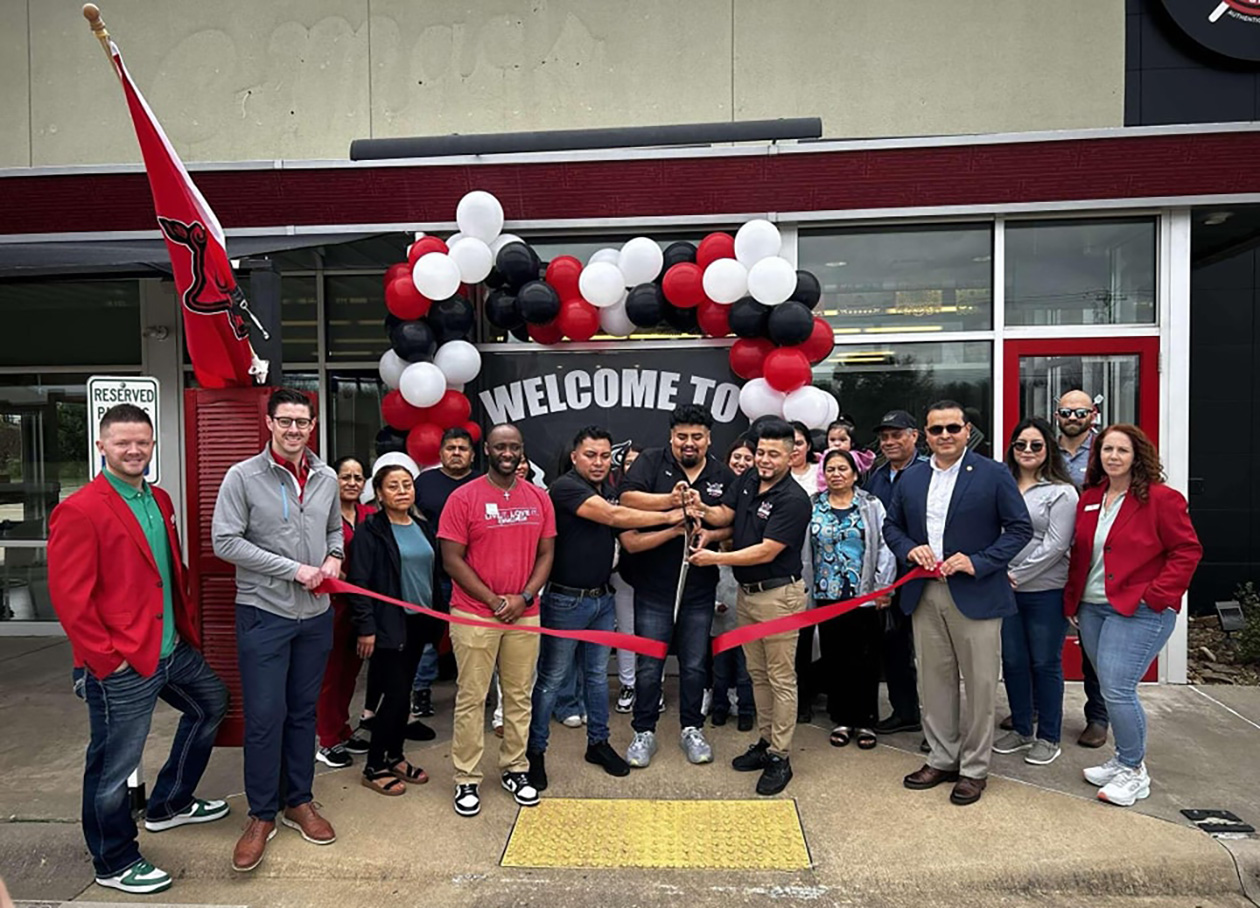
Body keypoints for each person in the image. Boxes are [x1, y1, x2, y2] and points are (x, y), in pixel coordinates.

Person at [49, 404, 228, 895]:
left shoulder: (160, 499)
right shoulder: (81, 509)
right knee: (113, 765)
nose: (133, 450)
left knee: (211, 703)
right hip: (122, 660)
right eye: (123, 442)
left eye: (142, 442)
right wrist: (108, 659)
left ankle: (169, 803)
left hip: (169, 648)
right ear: (102, 446)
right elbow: (70, 600)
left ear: (153, 446)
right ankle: (114, 859)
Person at [212, 388, 343, 871]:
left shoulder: (326, 477)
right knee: (265, 717)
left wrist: (333, 558)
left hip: (314, 617)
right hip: (264, 614)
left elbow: (333, 529)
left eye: (302, 422)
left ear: (312, 426)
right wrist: (294, 570)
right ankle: (261, 813)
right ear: (269, 423)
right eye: (285, 421)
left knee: (302, 713)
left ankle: (299, 801)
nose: (294, 430)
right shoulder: (242, 477)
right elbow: (225, 541)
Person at [883, 401, 1032, 806]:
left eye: (952, 427)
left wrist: (979, 561)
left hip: (977, 591)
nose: (944, 436)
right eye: (936, 430)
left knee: (981, 685)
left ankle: (974, 769)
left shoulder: (993, 474)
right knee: (933, 682)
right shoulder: (911, 478)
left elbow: (1020, 528)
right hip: (925, 591)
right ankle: (942, 757)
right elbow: (891, 527)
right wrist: (911, 550)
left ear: (968, 430)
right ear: (924, 436)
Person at [526, 427, 674, 790]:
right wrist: (673, 514)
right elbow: (615, 518)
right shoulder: (566, 488)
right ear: (574, 456)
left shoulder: (606, 488)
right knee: (551, 681)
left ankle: (598, 743)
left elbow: (632, 528)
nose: (598, 462)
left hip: (601, 599)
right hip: (565, 601)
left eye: (605, 456)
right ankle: (534, 754)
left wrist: (675, 509)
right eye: (590, 455)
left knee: (595, 679)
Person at [1064, 424, 1201, 807]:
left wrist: (1158, 596)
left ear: (1137, 456)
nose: (1113, 456)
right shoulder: (1090, 498)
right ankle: (1122, 759)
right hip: (1093, 609)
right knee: (1110, 687)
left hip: (1138, 610)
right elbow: (1081, 556)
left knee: (1118, 689)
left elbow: (1187, 551)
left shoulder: (1161, 499)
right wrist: (1073, 602)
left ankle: (1134, 770)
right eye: (1107, 449)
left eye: (1122, 450)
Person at [688, 419, 813, 795]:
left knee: (780, 678)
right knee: (758, 675)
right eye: (761, 452)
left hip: (779, 597)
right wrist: (705, 516)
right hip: (748, 595)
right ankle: (765, 741)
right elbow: (728, 516)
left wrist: (715, 559)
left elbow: (766, 550)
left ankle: (780, 755)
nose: (764, 459)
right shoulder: (747, 481)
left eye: (774, 453)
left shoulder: (794, 499)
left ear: (792, 456)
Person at [439, 423, 555, 818]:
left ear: (522, 452)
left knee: (519, 696)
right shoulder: (463, 497)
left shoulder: (539, 498)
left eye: (515, 447)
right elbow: (451, 558)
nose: (508, 452)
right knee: (472, 696)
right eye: (500, 446)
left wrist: (523, 598)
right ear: (486, 450)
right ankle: (467, 777)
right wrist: (492, 599)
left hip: (525, 613)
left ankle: (515, 768)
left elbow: (546, 554)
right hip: (474, 612)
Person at [618, 404, 734, 769]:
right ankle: (644, 730)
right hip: (653, 587)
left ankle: (691, 728)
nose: (689, 443)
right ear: (672, 436)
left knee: (696, 664)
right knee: (649, 665)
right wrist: (673, 502)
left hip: (699, 589)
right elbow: (627, 499)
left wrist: (710, 529)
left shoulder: (720, 472)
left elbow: (731, 518)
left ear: (708, 438)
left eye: (696, 436)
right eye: (682, 436)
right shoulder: (651, 461)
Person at [345, 464, 446, 796]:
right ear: (379, 493)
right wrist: (366, 628)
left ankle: (395, 755)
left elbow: (433, 576)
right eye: (393, 486)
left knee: (403, 700)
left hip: (420, 623)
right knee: (396, 695)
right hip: (390, 625)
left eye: (407, 485)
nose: (402, 491)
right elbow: (359, 582)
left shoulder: (421, 526)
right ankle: (374, 765)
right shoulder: (370, 530)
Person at [992, 418, 1079, 767]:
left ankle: (1049, 736)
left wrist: (1014, 574)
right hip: (1005, 591)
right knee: (1012, 661)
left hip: (1045, 591)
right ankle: (1022, 728)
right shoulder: (1002, 484)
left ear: (1048, 450)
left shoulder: (1062, 491)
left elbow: (1057, 545)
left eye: (1036, 445)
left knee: (1045, 663)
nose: (1027, 451)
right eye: (1021, 445)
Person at [811, 449, 896, 750]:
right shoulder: (814, 505)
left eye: (842, 469)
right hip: (826, 595)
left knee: (866, 659)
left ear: (855, 473)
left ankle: (866, 721)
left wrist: (884, 586)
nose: (836, 474)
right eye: (830, 469)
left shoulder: (871, 505)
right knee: (835, 657)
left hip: (865, 596)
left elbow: (885, 545)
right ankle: (842, 719)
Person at [864, 410, 928, 736]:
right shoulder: (877, 475)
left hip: (920, 575)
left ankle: (935, 724)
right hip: (885, 579)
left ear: (914, 436)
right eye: (884, 436)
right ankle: (905, 712)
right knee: (894, 648)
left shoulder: (928, 472)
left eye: (896, 435)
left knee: (931, 655)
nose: (889, 442)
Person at [1055, 390, 1110, 749]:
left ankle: (1098, 717)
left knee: (1094, 647)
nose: (1072, 417)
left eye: (1080, 411)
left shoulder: (1106, 452)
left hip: (1093, 558)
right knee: (1040, 641)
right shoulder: (1044, 449)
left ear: (1093, 413)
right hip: (1050, 558)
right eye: (1065, 411)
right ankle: (1035, 709)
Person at [410, 428, 476, 721]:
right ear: (441, 454)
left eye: (463, 448)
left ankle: (472, 691)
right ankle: (421, 691)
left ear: (473, 454)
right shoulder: (425, 482)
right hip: (432, 574)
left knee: (475, 637)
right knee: (427, 635)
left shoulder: (483, 482)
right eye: (451, 448)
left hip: (477, 577)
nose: (457, 452)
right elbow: (410, 520)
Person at [315, 456, 376, 768]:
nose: (352, 482)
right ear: (333, 480)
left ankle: (343, 729)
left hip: (362, 609)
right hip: (333, 608)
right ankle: (326, 740)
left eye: (358, 477)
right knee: (330, 674)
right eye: (346, 477)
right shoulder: (322, 516)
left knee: (351, 673)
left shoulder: (370, 515)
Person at [710, 437, 757, 732]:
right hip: (718, 584)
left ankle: (746, 711)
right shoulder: (718, 497)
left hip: (748, 587)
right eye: (736, 457)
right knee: (719, 663)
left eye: (747, 458)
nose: (741, 463)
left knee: (746, 666)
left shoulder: (759, 497)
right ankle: (718, 707)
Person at [787, 420, 820, 722]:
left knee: (808, 635)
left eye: (799, 442)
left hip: (817, 563)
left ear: (808, 445)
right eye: (789, 442)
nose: (794, 448)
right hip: (783, 561)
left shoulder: (821, 475)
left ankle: (807, 697)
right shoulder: (774, 476)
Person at [613, 443, 644, 714]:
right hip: (621, 574)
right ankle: (628, 684)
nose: (632, 467)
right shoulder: (614, 494)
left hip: (652, 574)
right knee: (626, 631)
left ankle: (650, 686)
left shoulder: (660, 491)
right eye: (627, 462)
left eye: (638, 462)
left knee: (652, 632)